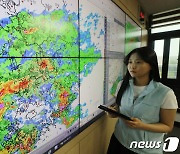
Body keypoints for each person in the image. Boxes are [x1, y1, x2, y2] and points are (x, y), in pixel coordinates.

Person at [107, 47, 178, 154]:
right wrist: (114, 113)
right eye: (130, 62)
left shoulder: (165, 93)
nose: (132, 66)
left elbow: (167, 127)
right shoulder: (122, 85)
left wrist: (142, 126)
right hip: (119, 140)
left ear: (151, 65)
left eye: (138, 62)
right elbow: (121, 107)